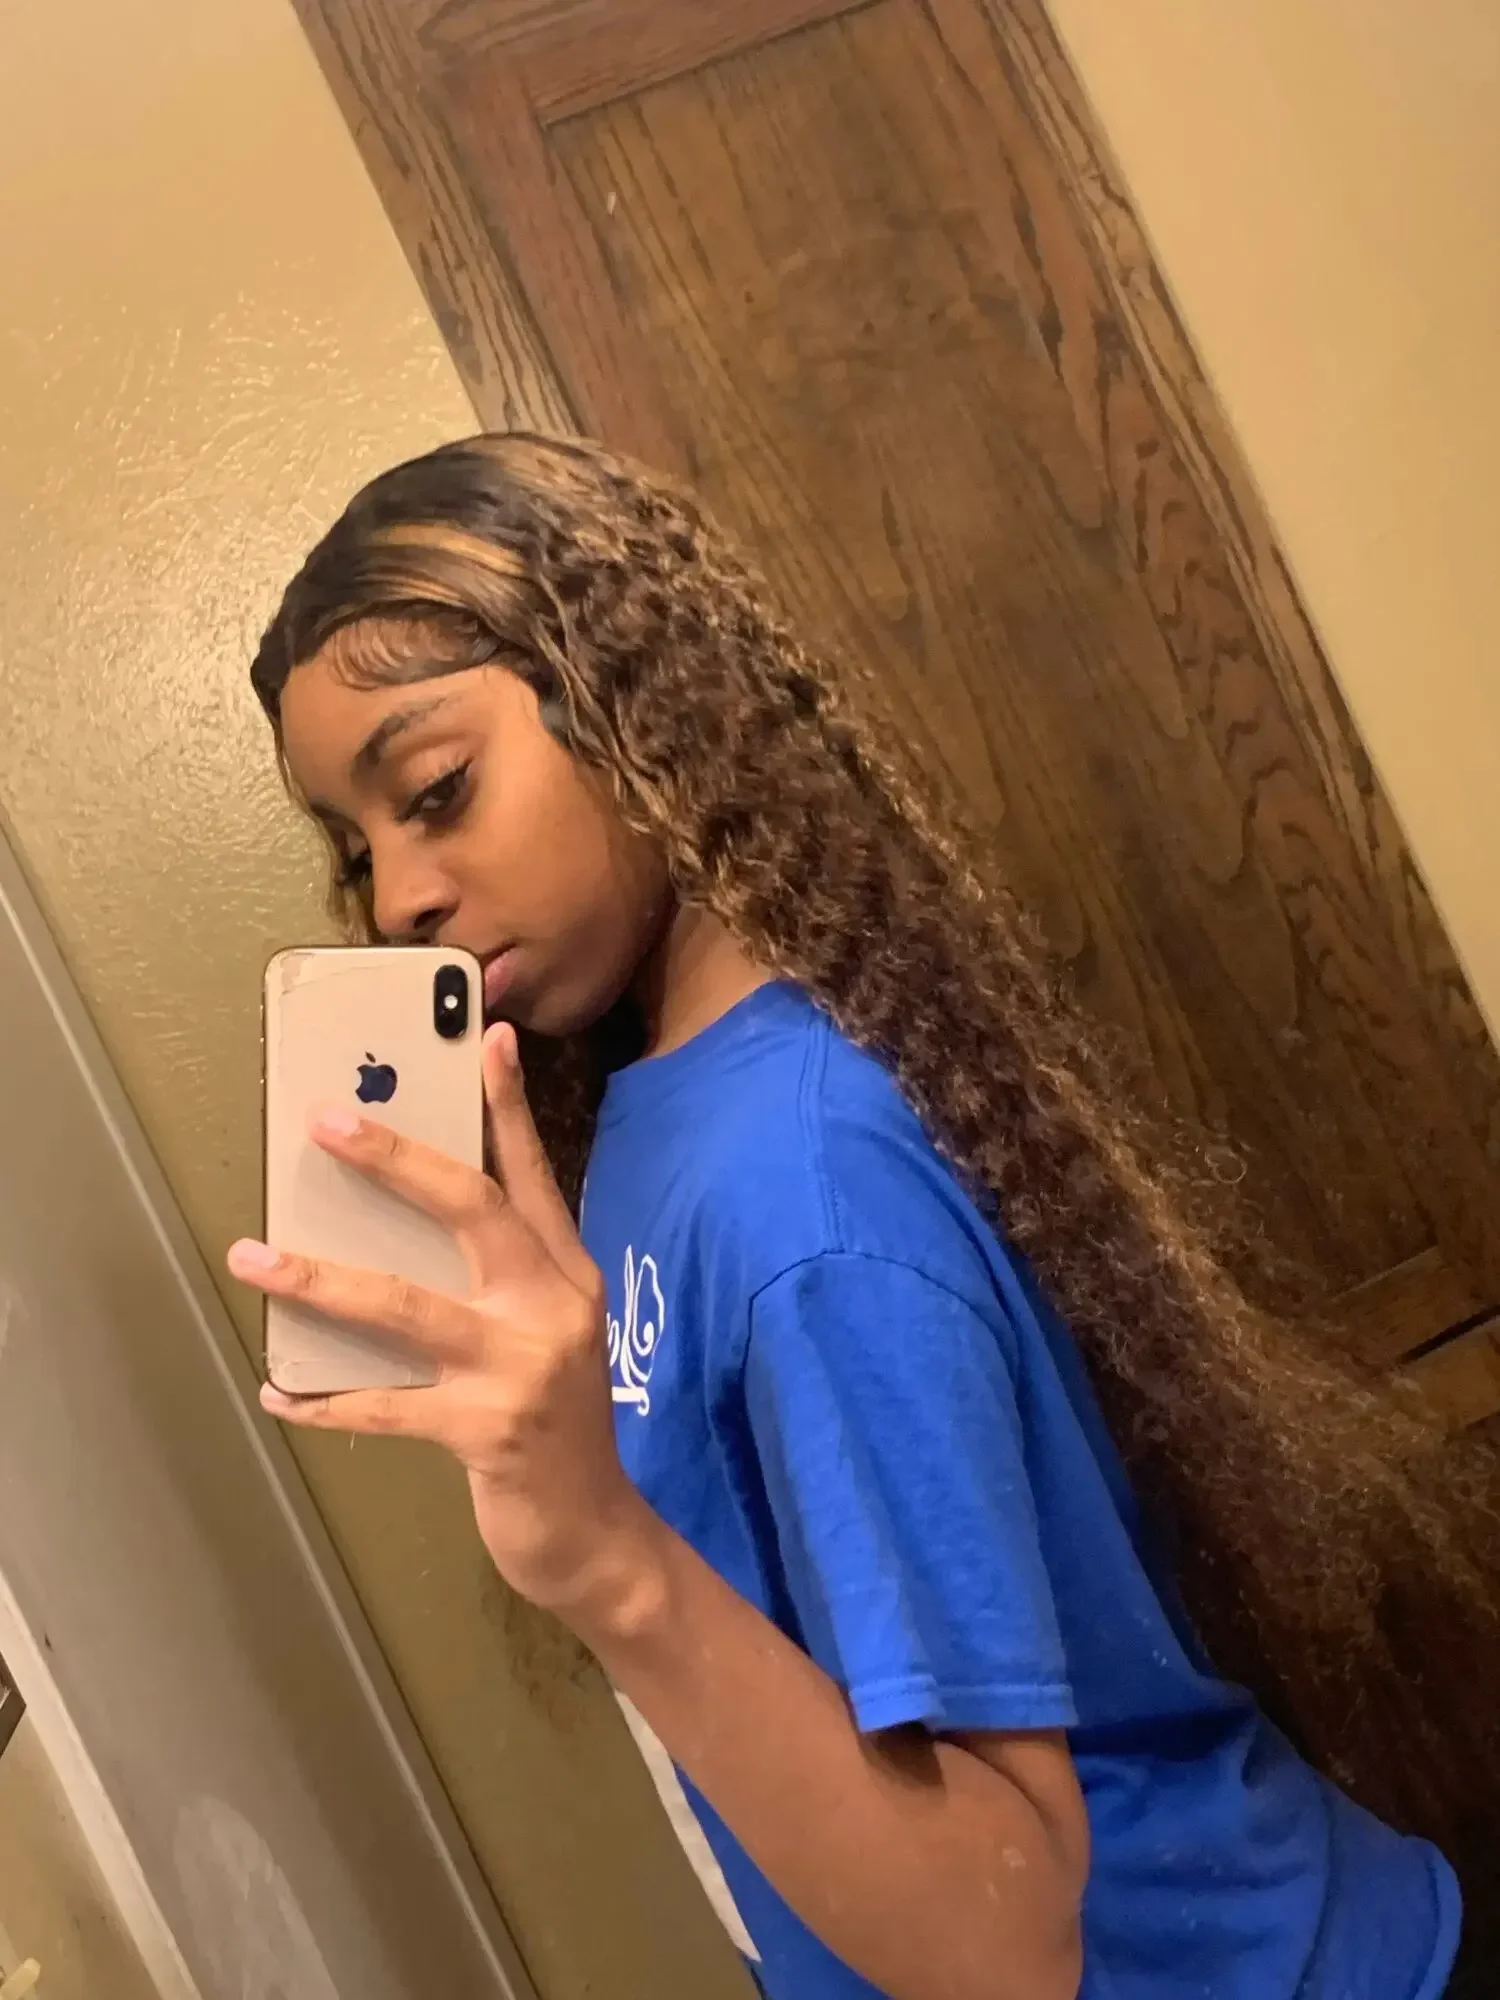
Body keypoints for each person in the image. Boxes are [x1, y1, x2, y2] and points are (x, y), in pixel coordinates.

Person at [231, 433, 1495, 1999]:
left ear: (633, 704)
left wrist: (600, 1548)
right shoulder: (649, 1117)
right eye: (356, 845)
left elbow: (1007, 1944)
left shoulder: (802, 1193)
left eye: (437, 791)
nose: (396, 895)